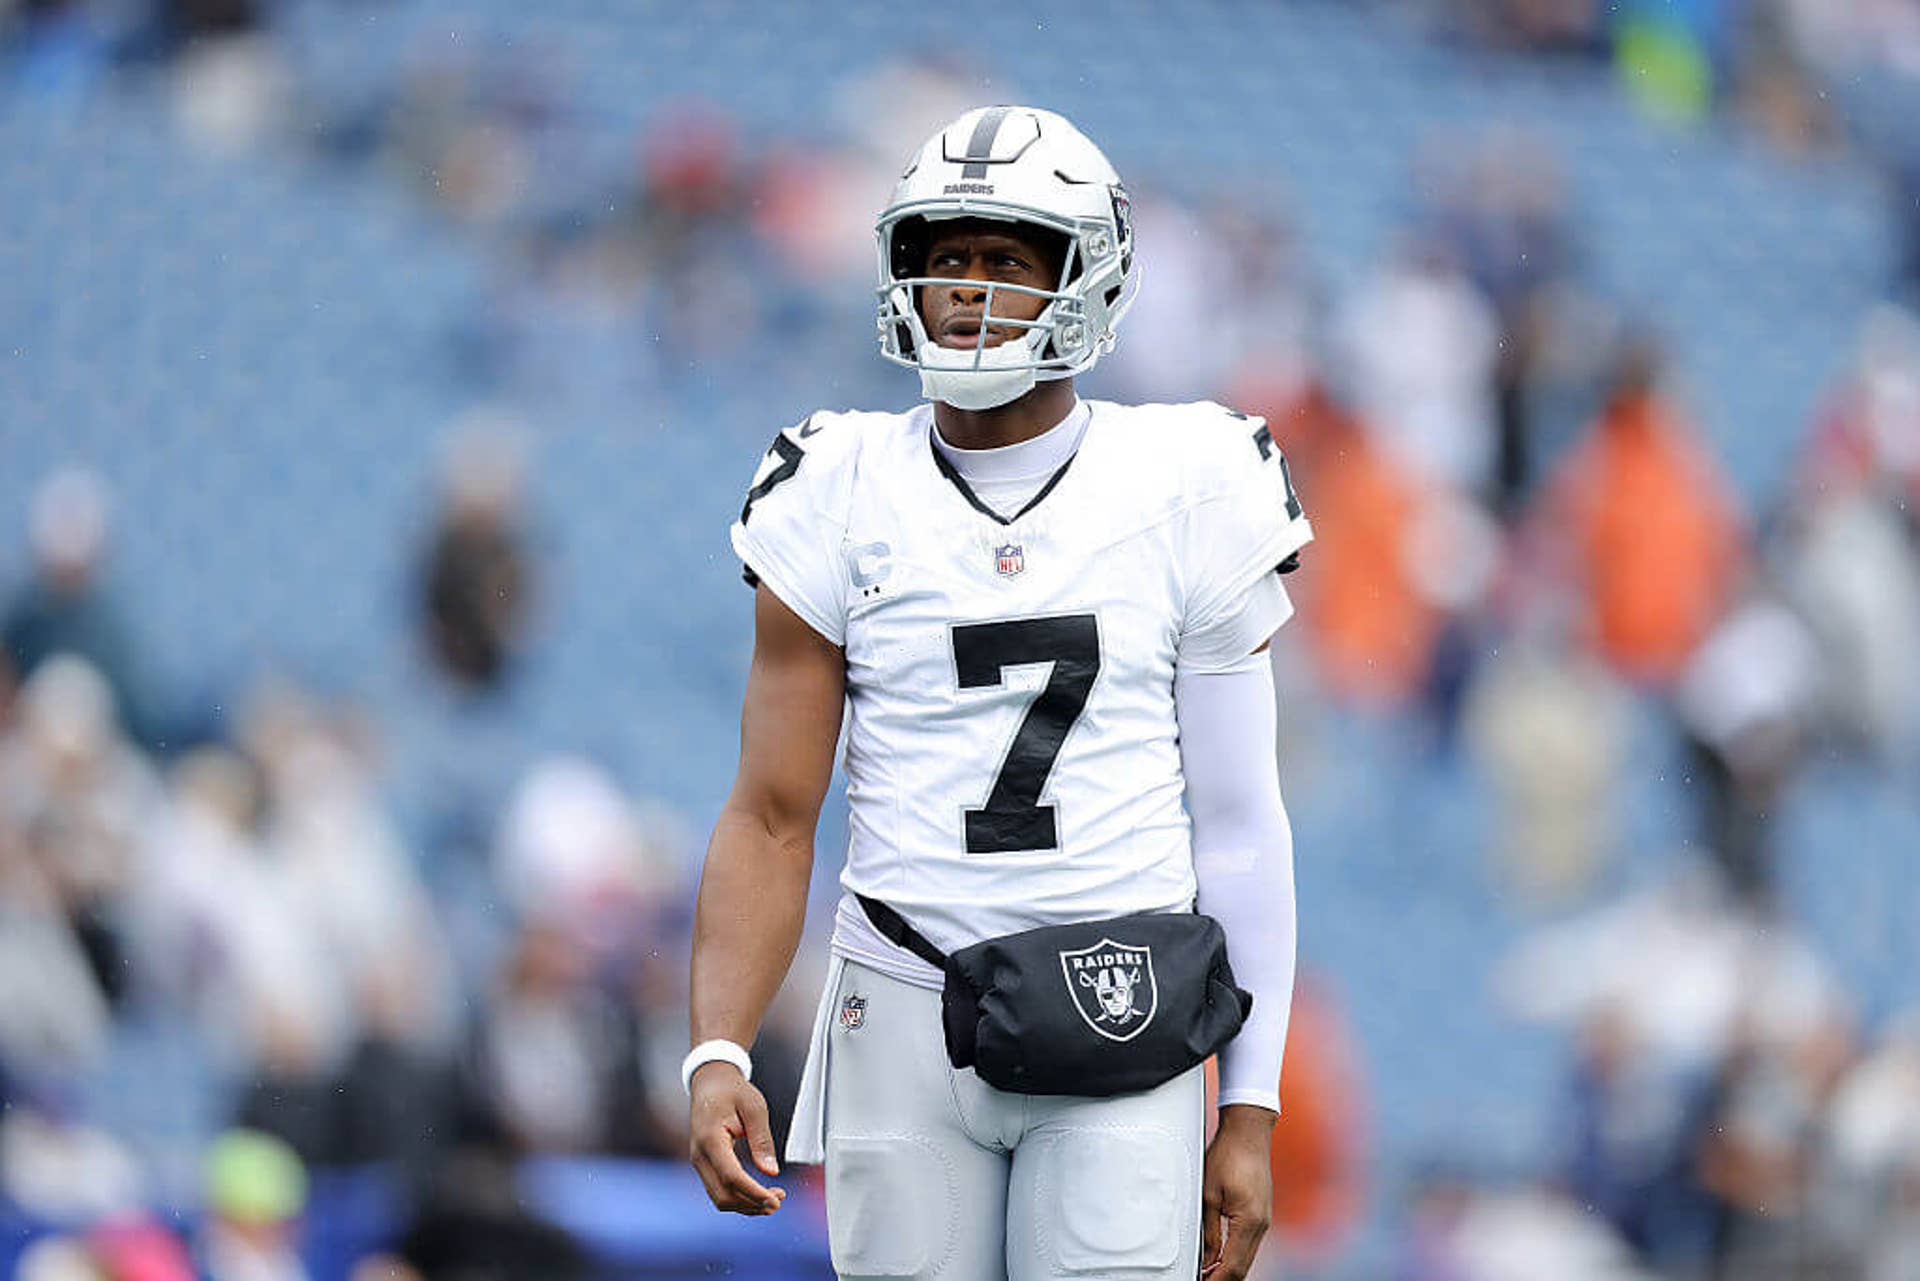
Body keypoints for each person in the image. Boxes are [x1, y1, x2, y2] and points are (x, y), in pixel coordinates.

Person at [685, 106, 1310, 1281]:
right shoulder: (835, 484)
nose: (968, 289)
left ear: (1088, 278)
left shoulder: (1189, 480)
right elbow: (770, 814)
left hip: (1121, 1002)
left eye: (1007, 260)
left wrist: (1252, 1105)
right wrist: (718, 1048)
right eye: (947, 257)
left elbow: (1238, 821)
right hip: (902, 996)